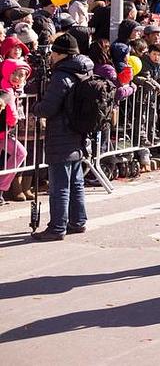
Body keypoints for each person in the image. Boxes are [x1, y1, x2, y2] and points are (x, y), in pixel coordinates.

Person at [31, 34, 94, 240]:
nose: (50, 56)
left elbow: (48, 108)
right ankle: (78, 221)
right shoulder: (85, 69)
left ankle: (57, 228)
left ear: (60, 54)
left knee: (59, 186)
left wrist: (35, 107)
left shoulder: (61, 76)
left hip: (61, 134)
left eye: (53, 52)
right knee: (76, 182)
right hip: (78, 132)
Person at [0, 59, 31, 202]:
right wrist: (13, 122)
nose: (16, 77)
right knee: (20, 153)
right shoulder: (7, 88)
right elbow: (12, 113)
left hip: (4, 133)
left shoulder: (12, 88)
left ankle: (2, 187)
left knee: (20, 153)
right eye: (14, 73)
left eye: (21, 75)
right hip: (3, 131)